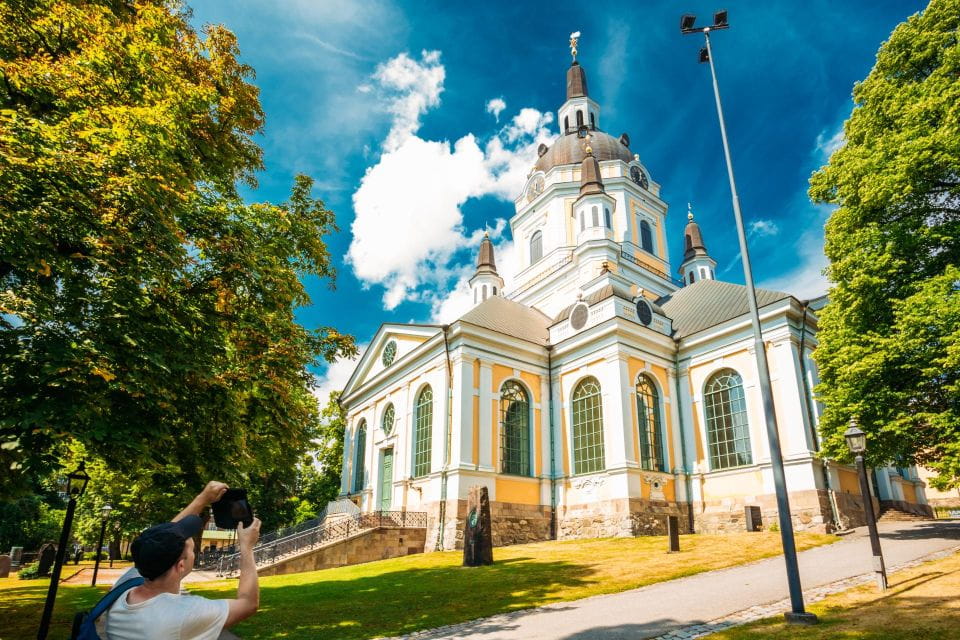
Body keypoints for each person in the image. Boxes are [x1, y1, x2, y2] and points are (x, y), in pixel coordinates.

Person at [96, 481, 261, 640]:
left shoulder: (124, 587)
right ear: (181, 565)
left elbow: (161, 538)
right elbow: (248, 604)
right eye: (190, 547)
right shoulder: (184, 613)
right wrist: (246, 547)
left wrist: (202, 499)